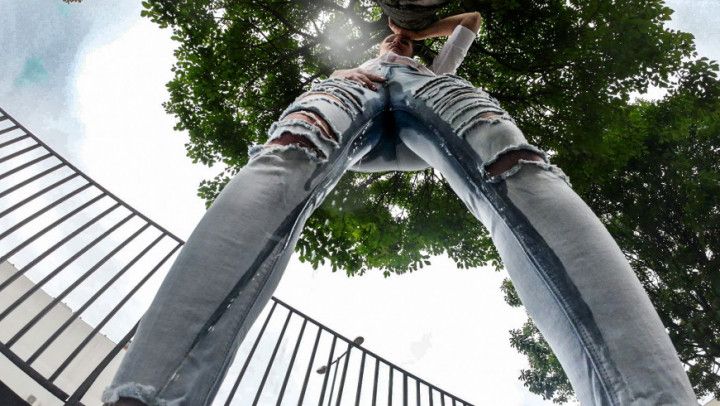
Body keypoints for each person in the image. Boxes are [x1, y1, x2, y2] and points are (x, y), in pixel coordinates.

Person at [102, 9, 698, 406]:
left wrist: (413, 31)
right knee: (287, 154)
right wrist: (379, 51)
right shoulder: (355, 63)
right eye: (390, 35)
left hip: (423, 98)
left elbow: (471, 19)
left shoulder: (435, 63)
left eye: (396, 37)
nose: (393, 37)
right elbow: (350, 82)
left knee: (516, 165)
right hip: (354, 94)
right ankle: (147, 394)